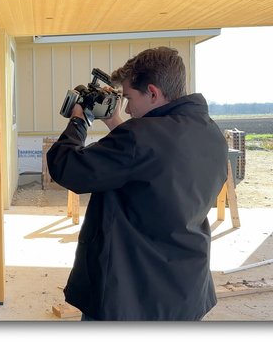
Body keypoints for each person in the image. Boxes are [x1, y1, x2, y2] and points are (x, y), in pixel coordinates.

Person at [46, 46, 227, 321]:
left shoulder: (138, 137)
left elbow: (67, 167)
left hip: (130, 294)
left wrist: (79, 122)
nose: (127, 108)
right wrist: (113, 121)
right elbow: (152, 160)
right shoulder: (210, 133)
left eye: (129, 98)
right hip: (185, 290)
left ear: (153, 92)